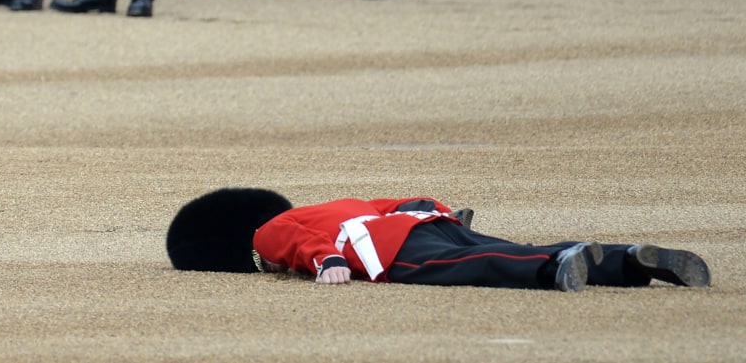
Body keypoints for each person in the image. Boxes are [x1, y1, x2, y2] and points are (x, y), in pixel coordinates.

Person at [166, 186, 712, 293]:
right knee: (508, 245)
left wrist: (329, 260)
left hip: (389, 250)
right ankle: (627, 261)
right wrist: (438, 212)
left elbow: (291, 245)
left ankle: (556, 267)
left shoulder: (266, 232)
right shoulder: (332, 202)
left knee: (485, 264)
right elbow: (392, 202)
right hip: (422, 220)